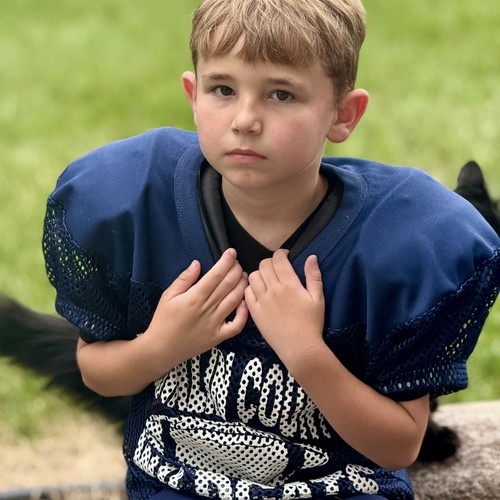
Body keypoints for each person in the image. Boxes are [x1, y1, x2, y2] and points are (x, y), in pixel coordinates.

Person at [42, 0, 500, 498]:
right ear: (193, 96)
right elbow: (97, 372)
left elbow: (400, 446)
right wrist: (159, 346)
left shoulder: (399, 239)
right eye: (223, 89)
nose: (245, 119)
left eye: (281, 94)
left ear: (343, 115)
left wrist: (306, 353)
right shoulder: (132, 199)